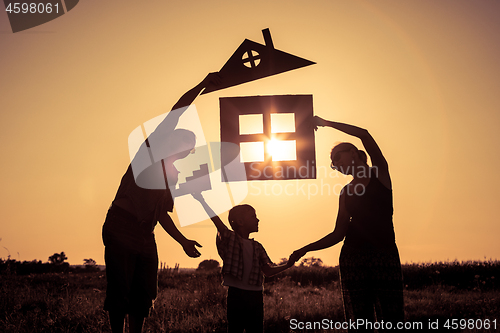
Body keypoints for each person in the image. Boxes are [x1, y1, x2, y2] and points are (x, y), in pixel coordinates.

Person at [102, 72, 221, 333]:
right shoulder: (149, 151)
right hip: (121, 225)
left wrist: (183, 241)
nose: (187, 148)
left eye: (191, 146)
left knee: (143, 292)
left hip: (146, 233)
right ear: (170, 139)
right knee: (120, 290)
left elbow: (161, 214)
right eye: (184, 141)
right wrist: (202, 85)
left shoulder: (172, 175)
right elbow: (176, 112)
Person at [290, 116, 404, 332]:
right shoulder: (345, 193)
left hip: (385, 255)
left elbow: (364, 134)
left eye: (337, 157)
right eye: (333, 163)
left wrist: (327, 123)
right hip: (353, 258)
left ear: (353, 153)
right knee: (360, 321)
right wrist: (305, 248)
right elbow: (338, 234)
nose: (335, 164)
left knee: (392, 319)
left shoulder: (379, 174)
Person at [192, 193, 294, 333]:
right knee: (235, 329)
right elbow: (216, 221)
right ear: (240, 222)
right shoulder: (230, 238)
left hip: (256, 296)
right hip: (236, 295)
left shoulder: (258, 247)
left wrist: (288, 264)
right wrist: (202, 200)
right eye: (253, 216)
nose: (257, 220)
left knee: (256, 330)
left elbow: (268, 271)